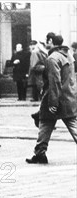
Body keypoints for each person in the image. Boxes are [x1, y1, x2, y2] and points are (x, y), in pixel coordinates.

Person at [26, 33, 77, 164]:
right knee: (50, 123)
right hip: (69, 96)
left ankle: (40, 153)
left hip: (55, 96)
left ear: (51, 41)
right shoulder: (69, 55)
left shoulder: (52, 58)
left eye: (47, 41)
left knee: (46, 123)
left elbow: (55, 81)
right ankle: (39, 153)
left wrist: (52, 102)